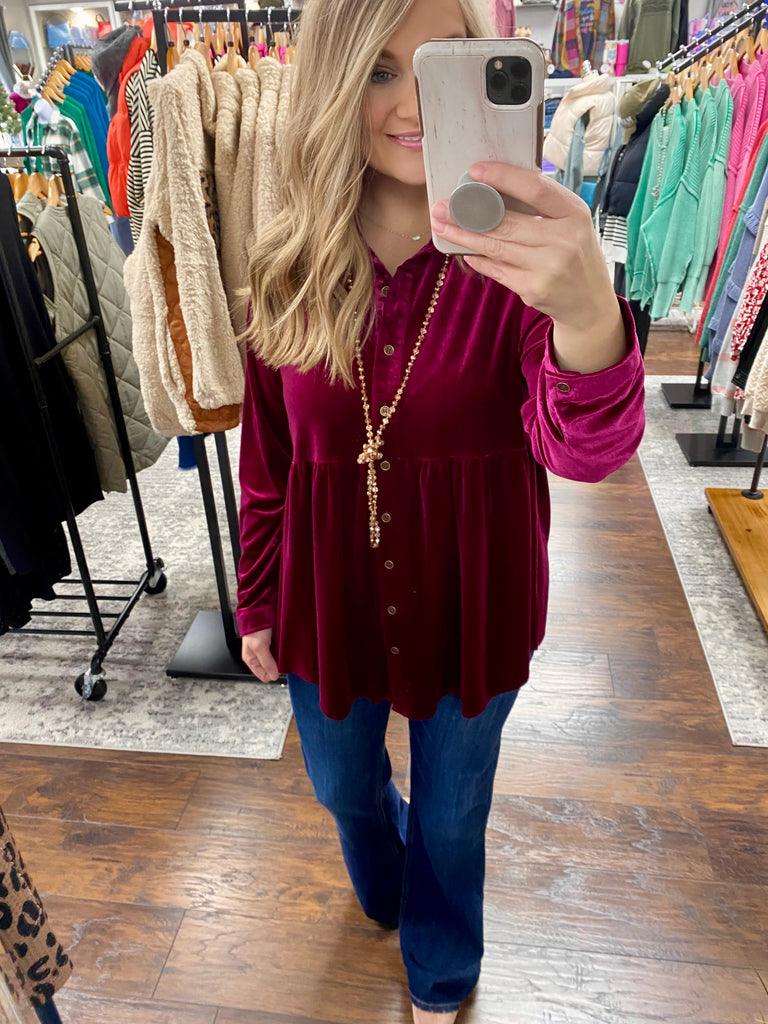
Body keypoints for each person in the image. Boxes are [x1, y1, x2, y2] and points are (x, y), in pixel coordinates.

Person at [237, 0, 645, 1020]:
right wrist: (256, 597)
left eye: (442, 70)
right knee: (340, 787)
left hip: (476, 599)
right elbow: (269, 456)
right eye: (380, 71)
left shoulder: (519, 263)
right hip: (325, 599)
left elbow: (584, 448)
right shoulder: (287, 261)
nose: (414, 107)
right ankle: (390, 883)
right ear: (332, 86)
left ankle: (443, 962)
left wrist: (588, 312)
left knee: (455, 815)